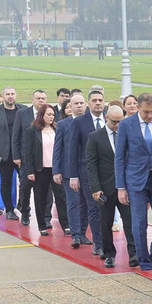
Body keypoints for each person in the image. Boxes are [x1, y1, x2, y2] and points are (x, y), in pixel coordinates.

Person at [114, 93, 152, 271]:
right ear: (138, 108)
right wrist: (121, 187)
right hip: (136, 180)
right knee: (139, 222)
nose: (150, 116)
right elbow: (119, 157)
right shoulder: (126, 124)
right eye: (146, 112)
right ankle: (144, 260)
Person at [85, 105, 137, 268]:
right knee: (105, 223)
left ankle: (134, 253)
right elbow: (91, 165)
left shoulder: (127, 135)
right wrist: (95, 188)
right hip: (105, 188)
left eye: (120, 122)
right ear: (106, 118)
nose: (117, 125)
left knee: (130, 222)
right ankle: (108, 254)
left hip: (125, 187)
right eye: (114, 122)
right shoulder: (95, 137)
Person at [68, 89, 107, 254]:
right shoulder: (79, 122)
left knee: (108, 207)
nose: (98, 103)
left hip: (108, 171)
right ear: (88, 103)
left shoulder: (111, 119)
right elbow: (72, 150)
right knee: (94, 207)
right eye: (94, 100)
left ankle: (107, 241)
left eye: (100, 100)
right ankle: (98, 243)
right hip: (87, 172)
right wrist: (73, 175)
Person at [21, 104, 65, 235]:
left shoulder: (57, 129)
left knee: (61, 197)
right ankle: (42, 225)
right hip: (40, 170)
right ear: (41, 115)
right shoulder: (32, 130)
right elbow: (28, 152)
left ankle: (66, 225)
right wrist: (29, 171)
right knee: (41, 198)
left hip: (56, 169)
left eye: (53, 115)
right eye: (48, 114)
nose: (51, 117)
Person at [12, 90, 51, 227]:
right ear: (32, 99)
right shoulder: (22, 114)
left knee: (46, 190)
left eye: (43, 98)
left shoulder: (50, 114)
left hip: (45, 160)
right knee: (25, 187)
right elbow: (16, 136)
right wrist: (16, 156)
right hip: (26, 159)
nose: (41, 101)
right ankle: (24, 211)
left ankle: (46, 217)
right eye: (38, 98)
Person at [54, 93, 87, 244]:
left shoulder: (91, 123)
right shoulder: (63, 124)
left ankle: (83, 232)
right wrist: (57, 170)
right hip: (68, 170)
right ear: (70, 107)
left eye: (81, 103)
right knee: (73, 202)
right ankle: (75, 234)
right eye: (76, 104)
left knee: (86, 203)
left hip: (87, 170)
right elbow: (58, 148)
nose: (79, 106)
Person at [0, 87, 26, 220]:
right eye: (7, 94)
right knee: (5, 182)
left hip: (22, 153)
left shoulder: (23, 110)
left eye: (12, 94)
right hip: (4, 153)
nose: (10, 96)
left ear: (16, 95)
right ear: (3, 96)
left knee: (26, 182)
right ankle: (9, 209)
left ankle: (23, 206)